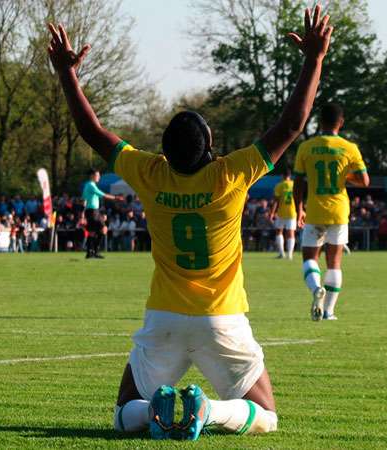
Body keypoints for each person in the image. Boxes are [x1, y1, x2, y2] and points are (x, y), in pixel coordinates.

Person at [47, 5, 332, 441]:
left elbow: (92, 132)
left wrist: (67, 74)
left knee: (124, 414)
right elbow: (291, 125)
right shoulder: (230, 175)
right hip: (222, 317)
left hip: (164, 317)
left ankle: (158, 411)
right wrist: (313, 59)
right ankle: (210, 410)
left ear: (164, 150)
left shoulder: (150, 173)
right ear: (211, 146)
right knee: (266, 416)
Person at [293, 103, 369, 322]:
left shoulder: (306, 147)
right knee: (334, 262)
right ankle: (328, 312)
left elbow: (298, 181)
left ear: (319, 122)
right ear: (341, 122)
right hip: (338, 210)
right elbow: (364, 181)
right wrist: (346, 177)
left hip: (315, 210)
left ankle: (316, 287)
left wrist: (299, 209)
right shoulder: (349, 148)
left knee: (309, 258)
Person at [270, 169, 297, 259]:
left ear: (282, 176)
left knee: (279, 231)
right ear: (290, 176)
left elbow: (276, 201)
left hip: (281, 212)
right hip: (292, 212)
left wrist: (272, 213)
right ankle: (290, 254)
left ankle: (282, 253)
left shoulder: (279, 185)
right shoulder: (294, 185)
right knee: (291, 233)